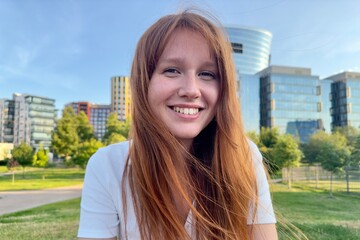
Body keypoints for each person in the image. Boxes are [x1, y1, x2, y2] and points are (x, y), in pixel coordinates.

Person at [78, 9, 278, 240]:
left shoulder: (244, 156)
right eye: (172, 70)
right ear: (144, 83)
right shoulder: (107, 166)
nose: (191, 90)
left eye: (207, 74)